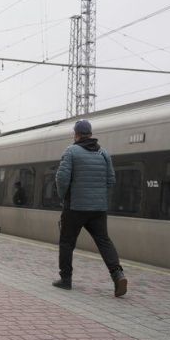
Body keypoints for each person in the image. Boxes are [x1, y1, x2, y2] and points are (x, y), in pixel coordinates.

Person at [54, 119, 128, 297]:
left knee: (67, 242)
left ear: (76, 134)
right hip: (98, 209)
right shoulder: (103, 153)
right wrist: (99, 196)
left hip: (75, 207)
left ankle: (66, 280)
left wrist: (63, 196)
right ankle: (118, 275)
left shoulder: (71, 151)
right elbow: (111, 180)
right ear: (90, 134)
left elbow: (61, 178)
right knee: (104, 241)